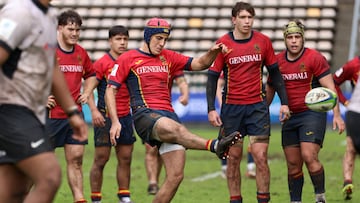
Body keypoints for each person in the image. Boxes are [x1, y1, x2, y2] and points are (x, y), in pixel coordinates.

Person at [105, 17, 237, 203]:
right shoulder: (127, 58)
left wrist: (212, 52)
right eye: (158, 38)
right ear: (148, 37)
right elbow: (110, 90)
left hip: (168, 113)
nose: (162, 43)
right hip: (145, 115)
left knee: (175, 176)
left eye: (165, 40)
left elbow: (200, 64)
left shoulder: (169, 56)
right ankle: (215, 145)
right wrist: (115, 121)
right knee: (176, 129)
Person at [0, 0, 88, 203]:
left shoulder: (49, 18)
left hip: (31, 112)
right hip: (11, 109)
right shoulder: (19, 11)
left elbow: (53, 68)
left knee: (13, 190)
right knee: (49, 176)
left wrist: (71, 112)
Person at [206, 2, 290, 203]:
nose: (247, 21)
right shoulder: (223, 44)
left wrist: (284, 102)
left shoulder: (263, 42)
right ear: (233, 19)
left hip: (257, 108)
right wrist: (211, 109)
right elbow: (211, 78)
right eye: (242, 17)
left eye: (249, 17)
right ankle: (236, 200)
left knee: (260, 157)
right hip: (231, 110)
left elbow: (276, 75)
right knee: (233, 159)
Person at [266, 20, 345, 203]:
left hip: (312, 114)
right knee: (293, 165)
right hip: (289, 116)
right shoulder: (276, 62)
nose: (294, 41)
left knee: (309, 155)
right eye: (290, 37)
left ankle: (320, 197)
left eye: (297, 37)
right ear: (285, 40)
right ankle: (296, 200)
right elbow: (269, 91)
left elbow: (331, 89)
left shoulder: (314, 58)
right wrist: (259, 115)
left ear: (303, 39)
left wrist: (337, 115)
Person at [46, 10, 97, 203]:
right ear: (59, 28)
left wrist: (87, 91)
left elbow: (91, 75)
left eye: (77, 30)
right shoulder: (48, 51)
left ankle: (79, 199)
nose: (75, 33)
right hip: (49, 116)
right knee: (42, 165)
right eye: (70, 29)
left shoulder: (81, 53)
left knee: (76, 160)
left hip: (74, 116)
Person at [87, 26, 136, 203]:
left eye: (125, 39)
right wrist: (93, 111)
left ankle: (124, 196)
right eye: (118, 39)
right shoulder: (101, 63)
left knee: (125, 158)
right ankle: (96, 198)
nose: (122, 43)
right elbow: (89, 88)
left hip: (125, 116)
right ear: (110, 41)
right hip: (105, 117)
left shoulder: (131, 61)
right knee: (101, 159)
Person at [145, 73, 189, 195]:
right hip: (146, 112)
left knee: (163, 148)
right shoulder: (139, 61)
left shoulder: (169, 60)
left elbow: (181, 80)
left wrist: (185, 94)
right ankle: (152, 182)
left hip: (165, 110)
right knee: (150, 148)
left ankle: (162, 181)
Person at [216, 72, 256, 179]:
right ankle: (225, 167)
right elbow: (218, 84)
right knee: (227, 137)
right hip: (232, 108)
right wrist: (221, 102)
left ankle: (251, 167)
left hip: (251, 106)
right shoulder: (229, 64)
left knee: (254, 138)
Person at [333, 56, 360, 200]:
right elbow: (333, 82)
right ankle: (347, 182)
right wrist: (345, 101)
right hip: (357, 113)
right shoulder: (353, 65)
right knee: (351, 147)